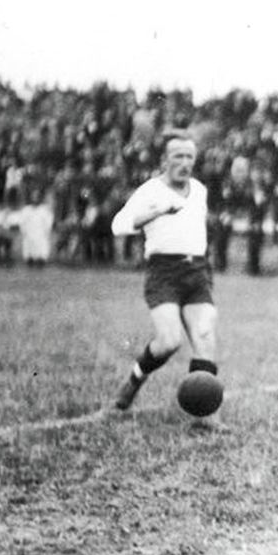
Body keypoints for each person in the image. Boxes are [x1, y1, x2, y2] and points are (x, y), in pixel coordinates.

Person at [109, 130, 224, 432]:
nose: (185, 163)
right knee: (169, 341)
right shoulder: (150, 191)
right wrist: (156, 212)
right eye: (178, 157)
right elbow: (118, 225)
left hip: (197, 271)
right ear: (164, 160)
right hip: (163, 272)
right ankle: (135, 378)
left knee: (204, 334)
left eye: (190, 157)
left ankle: (204, 414)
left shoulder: (199, 190)